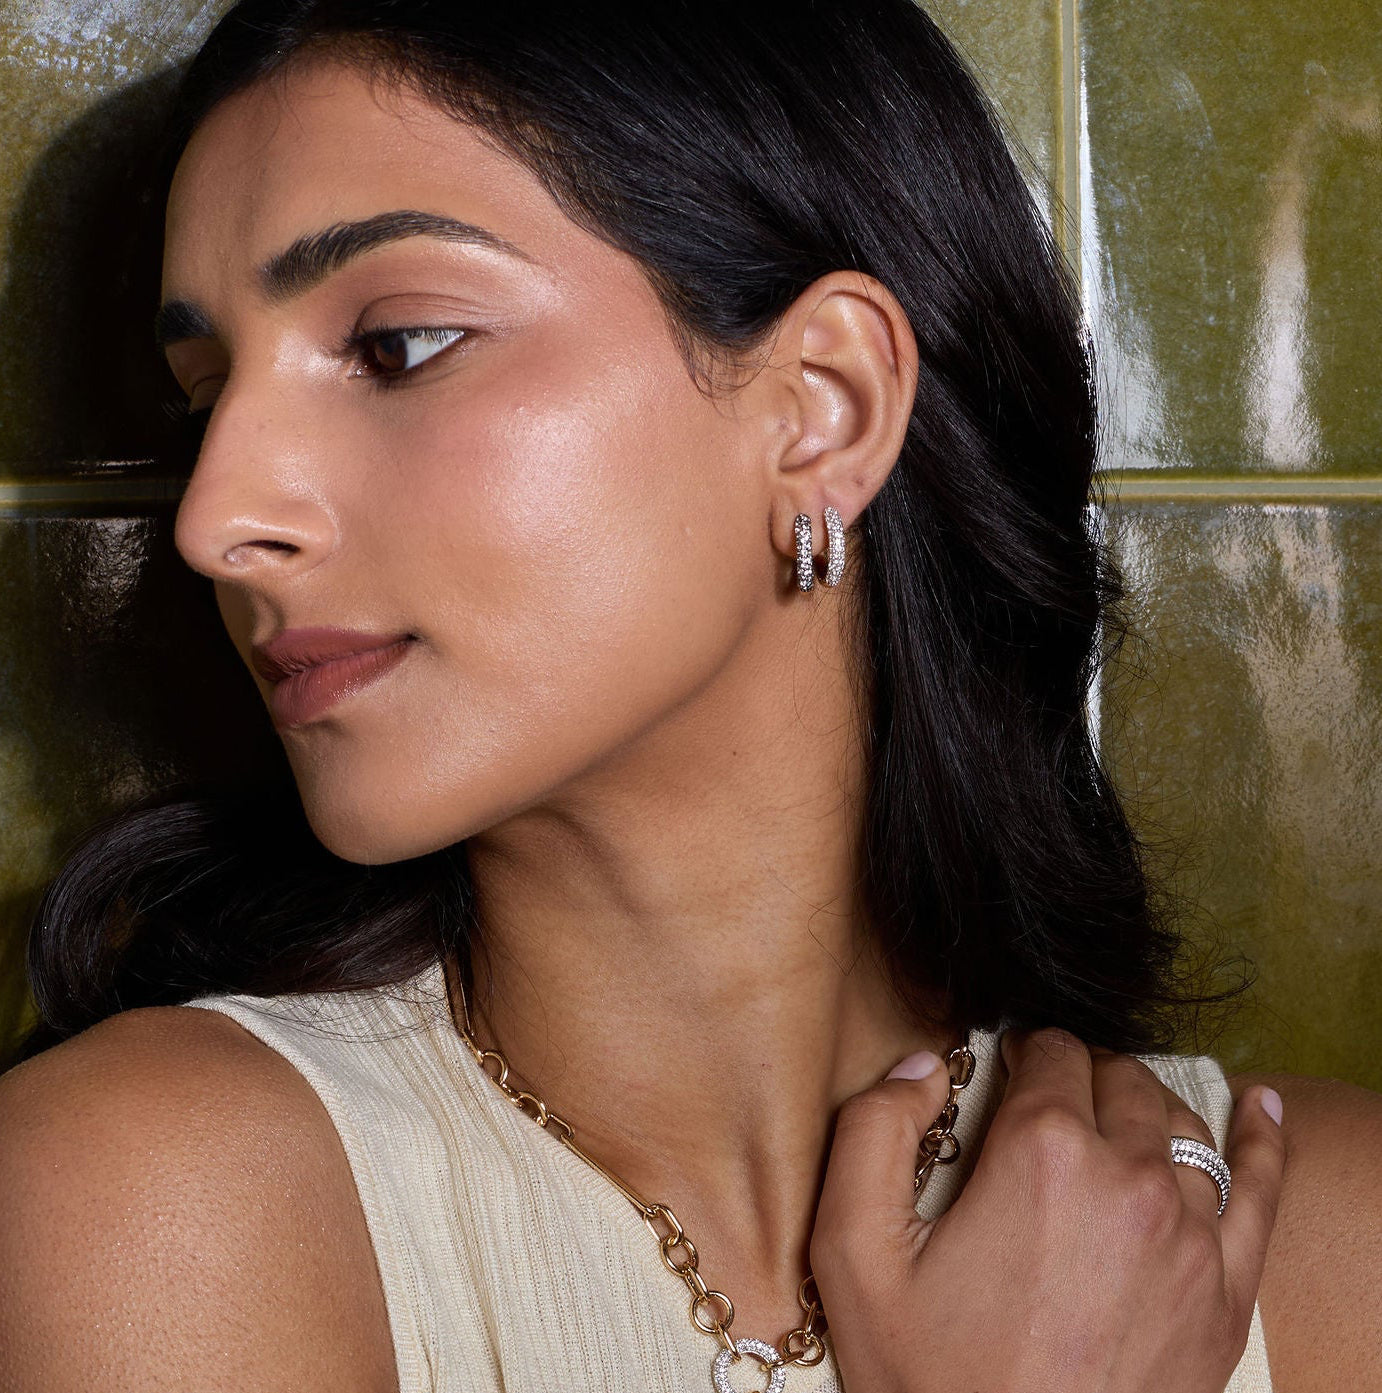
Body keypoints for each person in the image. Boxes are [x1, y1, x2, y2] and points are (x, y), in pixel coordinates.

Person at [1, 3, 1378, 1390]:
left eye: (400, 344)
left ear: (824, 405)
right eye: (205, 398)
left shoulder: (1327, 1254)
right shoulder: (153, 1203)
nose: (216, 520)